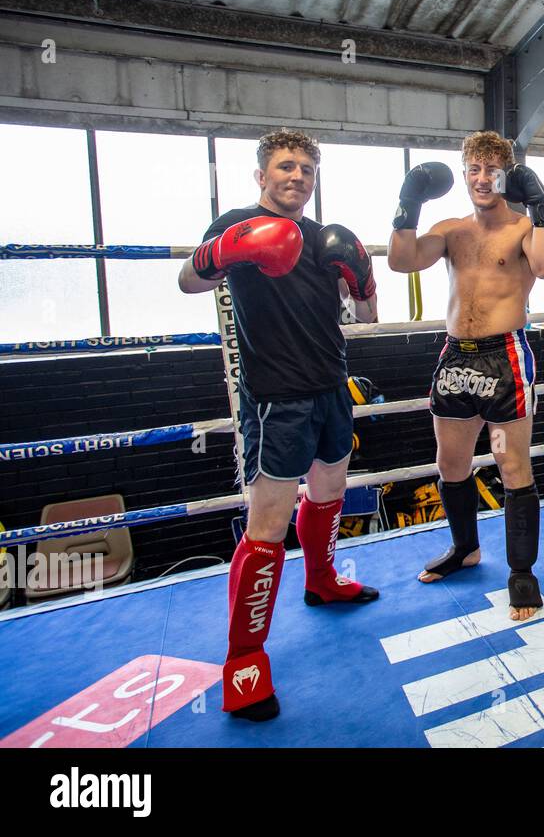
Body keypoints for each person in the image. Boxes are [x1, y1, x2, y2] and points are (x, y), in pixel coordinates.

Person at [178, 128, 380, 722]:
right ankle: (243, 661)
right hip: (274, 397)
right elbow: (190, 281)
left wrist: (364, 280)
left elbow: (368, 315)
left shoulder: (326, 238)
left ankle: (321, 580)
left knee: (330, 493)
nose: (297, 177)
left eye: (307, 170)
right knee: (267, 524)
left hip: (331, 386)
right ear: (262, 174)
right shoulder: (235, 222)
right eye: (287, 167)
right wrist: (221, 252)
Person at [388, 131, 544, 622]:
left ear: (508, 175)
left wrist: (542, 204)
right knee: (451, 465)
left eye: (492, 170)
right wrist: (408, 203)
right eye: (475, 170)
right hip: (455, 360)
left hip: (504, 358)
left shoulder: (524, 228)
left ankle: (522, 574)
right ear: (464, 175)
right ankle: (465, 549)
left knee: (511, 467)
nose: (483, 179)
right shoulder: (451, 228)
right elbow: (402, 260)